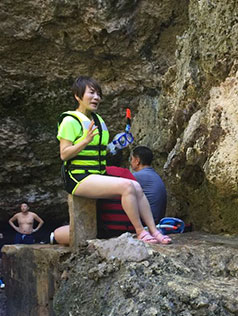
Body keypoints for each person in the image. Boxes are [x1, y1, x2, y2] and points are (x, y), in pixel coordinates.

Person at [57, 76, 170, 244]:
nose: (96, 98)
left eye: (98, 94)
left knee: (136, 186)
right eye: (91, 93)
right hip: (78, 178)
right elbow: (64, 154)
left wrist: (115, 145)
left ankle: (153, 231)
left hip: (97, 174)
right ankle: (140, 231)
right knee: (127, 186)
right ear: (77, 96)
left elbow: (99, 151)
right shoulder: (69, 121)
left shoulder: (98, 120)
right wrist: (85, 141)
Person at [130, 146, 167, 224]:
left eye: (132, 159)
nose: (131, 162)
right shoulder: (153, 174)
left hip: (148, 222)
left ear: (137, 161)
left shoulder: (138, 176)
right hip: (157, 219)